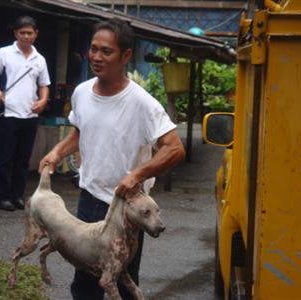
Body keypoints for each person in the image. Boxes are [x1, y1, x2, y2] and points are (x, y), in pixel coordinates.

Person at [39, 18, 185, 299]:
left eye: (106, 51)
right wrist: (57, 152)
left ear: (126, 55)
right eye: (94, 49)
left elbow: (175, 148)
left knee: (123, 282)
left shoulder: (142, 103)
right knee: (84, 284)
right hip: (89, 199)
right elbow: (82, 132)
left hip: (127, 211)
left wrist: (137, 175)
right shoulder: (82, 92)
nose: (96, 56)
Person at [0, 16, 50, 211]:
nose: (26, 36)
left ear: (36, 34)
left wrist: (43, 100)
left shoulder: (40, 59)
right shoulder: (4, 53)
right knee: (5, 158)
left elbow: (44, 84)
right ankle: (3, 197)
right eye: (22, 32)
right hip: (9, 114)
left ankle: (17, 196)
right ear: (16, 33)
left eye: (29, 33)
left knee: (23, 160)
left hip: (30, 115)